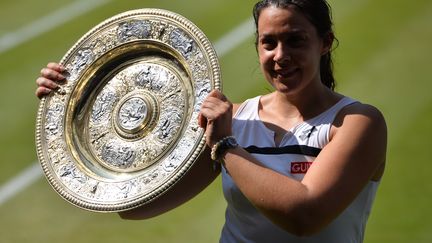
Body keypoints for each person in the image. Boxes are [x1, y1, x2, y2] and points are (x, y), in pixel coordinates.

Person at [36, 0, 387, 242]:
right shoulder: (234, 119)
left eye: (295, 40)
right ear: (257, 47)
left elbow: (305, 216)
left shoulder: (358, 123)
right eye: (269, 43)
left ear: (324, 43)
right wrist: (70, 100)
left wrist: (225, 146)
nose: (281, 56)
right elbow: (138, 206)